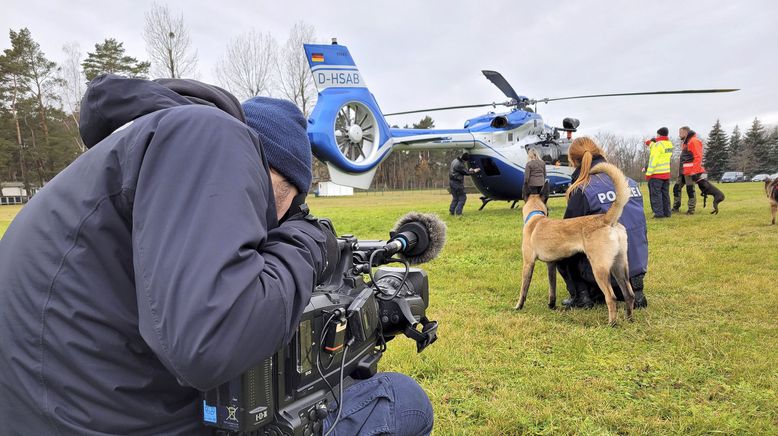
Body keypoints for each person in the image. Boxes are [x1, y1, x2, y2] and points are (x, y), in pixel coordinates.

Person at [0, 75, 432, 435]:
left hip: (71, 413)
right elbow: (211, 340)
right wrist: (304, 239)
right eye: (291, 205)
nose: (279, 223)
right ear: (275, 174)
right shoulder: (211, 134)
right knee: (401, 400)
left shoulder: (128, 157)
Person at [557, 137, 649, 309]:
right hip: (634, 270)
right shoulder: (632, 184)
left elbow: (566, 233)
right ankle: (637, 291)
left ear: (574, 161)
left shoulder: (583, 189)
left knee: (561, 247)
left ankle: (581, 295)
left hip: (607, 269)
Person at [673, 126, 704, 214]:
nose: (679, 135)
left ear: (686, 133)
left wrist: (695, 171)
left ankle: (691, 210)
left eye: (680, 133)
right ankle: (675, 208)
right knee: (676, 188)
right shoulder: (685, 143)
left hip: (690, 171)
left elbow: (698, 157)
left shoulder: (694, 141)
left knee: (690, 190)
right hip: (682, 171)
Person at [644, 127, 674, 218]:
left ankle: (658, 214)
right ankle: (667, 212)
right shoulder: (669, 144)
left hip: (656, 174)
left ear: (659, 135)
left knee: (656, 195)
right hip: (666, 174)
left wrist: (648, 173)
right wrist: (650, 143)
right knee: (665, 194)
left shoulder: (657, 145)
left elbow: (653, 160)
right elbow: (657, 146)